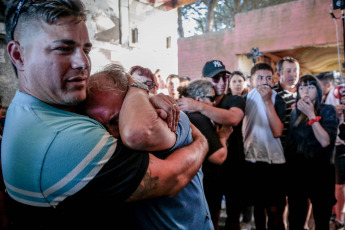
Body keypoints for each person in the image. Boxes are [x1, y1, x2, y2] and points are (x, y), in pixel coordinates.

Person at [2, 1, 208, 229]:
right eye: (63, 48)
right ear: (18, 55)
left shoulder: (25, 108)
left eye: (86, 50)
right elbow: (174, 177)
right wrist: (201, 141)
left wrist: (140, 93)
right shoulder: (63, 138)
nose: (83, 63)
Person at [82, 64, 214, 230]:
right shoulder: (96, 147)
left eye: (117, 121)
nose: (110, 134)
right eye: (97, 126)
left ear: (133, 106)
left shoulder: (168, 117)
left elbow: (140, 132)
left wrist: (136, 87)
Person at [178, 60, 246, 230]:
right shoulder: (199, 104)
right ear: (204, 79)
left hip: (233, 165)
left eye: (225, 77)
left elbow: (233, 118)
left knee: (233, 216)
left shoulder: (234, 99)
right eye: (216, 79)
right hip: (209, 170)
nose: (222, 82)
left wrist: (198, 105)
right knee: (210, 213)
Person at [286, 74, 338, 230]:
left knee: (322, 221)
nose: (305, 91)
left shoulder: (328, 110)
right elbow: (290, 146)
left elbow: (325, 141)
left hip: (321, 172)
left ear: (318, 90)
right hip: (298, 172)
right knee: (295, 220)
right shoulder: (295, 113)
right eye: (302, 87)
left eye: (310, 86)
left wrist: (311, 114)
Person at [179, 79, 233, 230]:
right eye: (211, 98)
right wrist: (223, 136)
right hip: (206, 183)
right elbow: (218, 157)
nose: (215, 103)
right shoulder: (200, 119)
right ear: (198, 100)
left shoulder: (187, 116)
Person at [242, 62, 286, 230]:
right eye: (260, 78)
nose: (264, 82)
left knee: (275, 209)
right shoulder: (245, 99)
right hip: (252, 159)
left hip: (274, 160)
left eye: (268, 78)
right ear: (252, 80)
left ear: (273, 80)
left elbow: (277, 132)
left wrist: (267, 102)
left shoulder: (277, 99)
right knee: (258, 208)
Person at [317, 71, 345, 229]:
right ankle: (338, 216)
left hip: (338, 144)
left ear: (327, 84)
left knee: (338, 184)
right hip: (334, 146)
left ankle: (339, 216)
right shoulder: (327, 98)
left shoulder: (334, 93)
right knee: (337, 183)